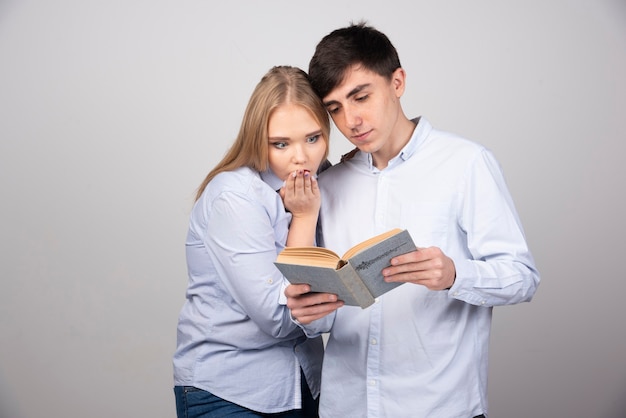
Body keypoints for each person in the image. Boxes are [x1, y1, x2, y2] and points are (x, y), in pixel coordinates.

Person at [285, 23, 541, 418]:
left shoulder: (465, 164)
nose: (351, 120)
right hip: (346, 406)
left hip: (437, 406)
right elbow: (329, 310)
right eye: (334, 108)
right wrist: (308, 310)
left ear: (398, 82)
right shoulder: (329, 183)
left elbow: (523, 277)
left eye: (361, 96)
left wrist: (455, 274)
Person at [173, 65, 331, 417]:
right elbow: (278, 318)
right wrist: (304, 218)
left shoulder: (323, 180)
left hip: (304, 384)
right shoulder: (235, 197)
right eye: (281, 143)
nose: (301, 157)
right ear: (257, 139)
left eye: (313, 137)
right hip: (230, 392)